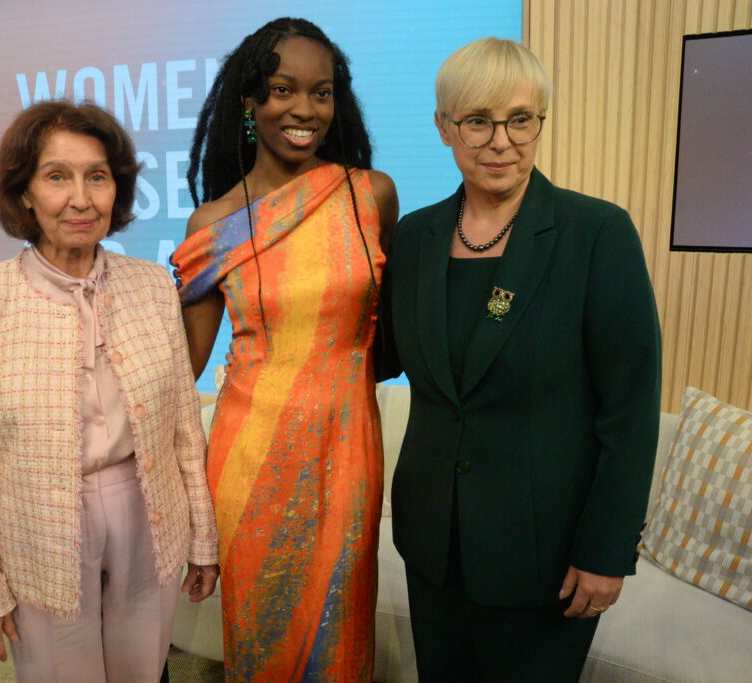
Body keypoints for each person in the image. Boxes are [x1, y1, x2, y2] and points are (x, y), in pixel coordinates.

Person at [378, 37, 662, 681]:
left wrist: (607, 549)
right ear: (444, 126)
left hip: (546, 556)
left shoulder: (596, 233)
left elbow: (631, 407)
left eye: (520, 119)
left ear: (539, 122)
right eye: (477, 120)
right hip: (433, 548)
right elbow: (382, 356)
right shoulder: (418, 235)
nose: (500, 140)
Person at [0, 100, 218, 682]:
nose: (81, 198)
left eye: (98, 176)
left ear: (117, 190)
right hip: (39, 527)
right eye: (57, 176)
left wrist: (203, 537)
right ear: (24, 194)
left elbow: (183, 428)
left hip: (148, 510)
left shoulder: (152, 285)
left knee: (145, 668)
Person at [170, 17, 398, 682]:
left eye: (320, 93)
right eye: (281, 90)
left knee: (339, 631)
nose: (304, 109)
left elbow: (399, 330)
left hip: (347, 451)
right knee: (261, 636)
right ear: (250, 103)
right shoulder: (212, 224)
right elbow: (183, 363)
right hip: (249, 456)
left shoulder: (370, 195)